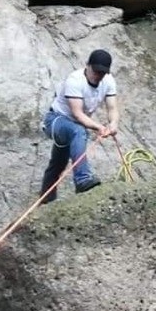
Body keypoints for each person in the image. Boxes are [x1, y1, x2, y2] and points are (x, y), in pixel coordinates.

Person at [39, 49, 119, 203]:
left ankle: (46, 200)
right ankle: (82, 179)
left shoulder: (108, 81)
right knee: (79, 131)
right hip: (56, 120)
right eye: (95, 71)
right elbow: (78, 114)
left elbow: (112, 108)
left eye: (102, 73)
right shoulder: (75, 80)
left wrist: (113, 124)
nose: (98, 76)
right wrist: (100, 127)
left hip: (74, 129)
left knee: (58, 163)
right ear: (87, 65)